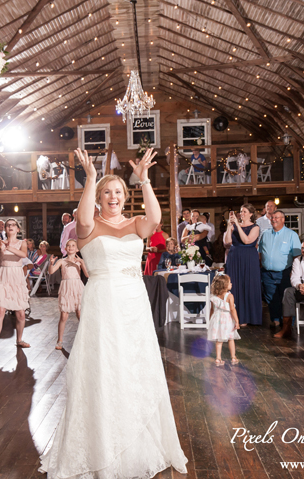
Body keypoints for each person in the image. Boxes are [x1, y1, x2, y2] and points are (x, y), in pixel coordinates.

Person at [39, 148, 188, 478]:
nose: (113, 196)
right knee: (105, 366)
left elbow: (155, 220)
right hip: (103, 300)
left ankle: (137, 434)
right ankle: (103, 442)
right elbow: (81, 218)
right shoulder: (88, 228)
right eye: (107, 192)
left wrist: (145, 180)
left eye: (118, 191)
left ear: (125, 197)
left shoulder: (137, 224)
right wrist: (91, 177)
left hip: (133, 301)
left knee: (134, 364)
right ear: (99, 197)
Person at [0, 218, 30, 359]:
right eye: (8, 225)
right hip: (4, 275)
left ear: (18, 229)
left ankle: (19, 340)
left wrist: (8, 246)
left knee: (21, 314)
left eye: (13, 225)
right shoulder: (0, 243)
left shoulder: (22, 243)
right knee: (0, 310)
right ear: (5, 229)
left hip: (17, 276)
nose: (10, 227)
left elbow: (23, 255)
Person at [258, 210, 302, 330]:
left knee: (286, 298)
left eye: (276, 217)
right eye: (272, 218)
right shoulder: (265, 234)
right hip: (267, 272)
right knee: (271, 297)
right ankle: (275, 319)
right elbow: (260, 252)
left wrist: (294, 272)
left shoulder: (291, 235)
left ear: (283, 219)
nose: (273, 220)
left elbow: (297, 256)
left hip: (285, 272)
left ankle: (287, 322)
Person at [224, 204, 261, 326]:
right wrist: (229, 227)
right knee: (234, 285)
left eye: (245, 211)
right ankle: (235, 317)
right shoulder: (234, 226)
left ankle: (248, 317)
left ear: (251, 214)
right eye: (241, 211)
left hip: (249, 258)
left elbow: (247, 240)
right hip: (234, 257)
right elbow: (227, 242)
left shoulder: (255, 227)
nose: (242, 214)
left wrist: (238, 226)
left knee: (248, 284)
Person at [49, 239, 88, 350]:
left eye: (73, 245)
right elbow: (51, 271)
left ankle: (85, 338)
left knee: (80, 314)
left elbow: (87, 274)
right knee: (64, 315)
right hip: (66, 287)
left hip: (77, 287)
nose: (70, 247)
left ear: (77, 249)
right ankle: (60, 340)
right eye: (68, 245)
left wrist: (82, 263)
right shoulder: (62, 261)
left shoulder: (79, 261)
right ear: (65, 248)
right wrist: (51, 264)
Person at [208, 274, 240, 365]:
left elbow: (212, 309)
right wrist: (237, 321)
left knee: (219, 340)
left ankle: (218, 358)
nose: (231, 284)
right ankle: (233, 357)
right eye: (229, 282)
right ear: (225, 285)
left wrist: (210, 320)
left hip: (217, 320)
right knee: (231, 338)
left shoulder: (214, 296)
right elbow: (232, 310)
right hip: (227, 320)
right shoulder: (229, 296)